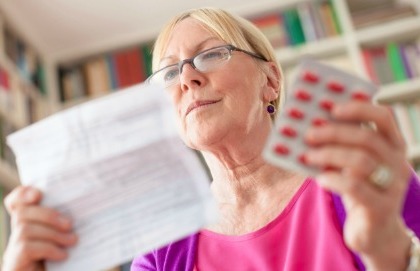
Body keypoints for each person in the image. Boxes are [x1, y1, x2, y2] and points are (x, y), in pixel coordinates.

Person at [2, 7, 420, 271]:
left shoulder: (364, 184)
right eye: (169, 73)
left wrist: (390, 258)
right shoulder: (162, 246)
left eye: (211, 54)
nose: (187, 77)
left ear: (269, 81)